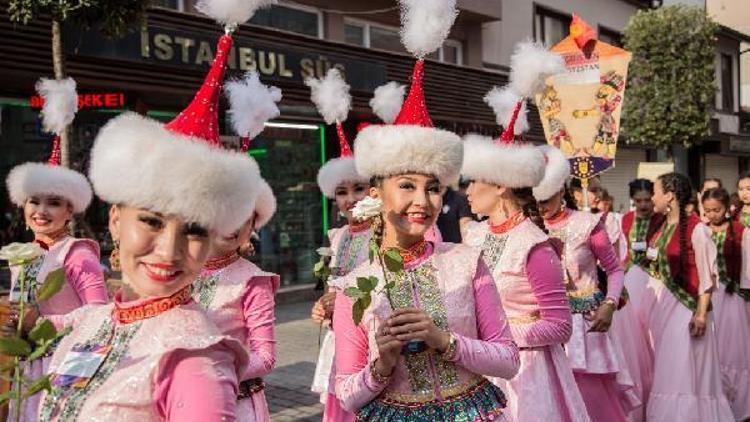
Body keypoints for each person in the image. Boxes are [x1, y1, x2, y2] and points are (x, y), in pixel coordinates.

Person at [27, 4, 268, 419]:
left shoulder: (196, 359)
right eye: (152, 220)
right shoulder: (94, 320)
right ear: (116, 221)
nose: (169, 249)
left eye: (193, 230)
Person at [332, 4, 520, 418]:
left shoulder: (467, 263)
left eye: (433, 188)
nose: (423, 201)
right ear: (377, 193)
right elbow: (346, 394)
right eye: (407, 186)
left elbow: (509, 360)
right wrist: (380, 365)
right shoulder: (353, 286)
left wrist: (445, 340)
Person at [2, 77, 109, 421]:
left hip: (67, 368)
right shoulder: (23, 254)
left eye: (53, 203)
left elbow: (99, 316)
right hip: (28, 368)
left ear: (70, 210)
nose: (41, 211)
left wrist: (44, 322)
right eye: (34, 201)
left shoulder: (77, 254)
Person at [462, 136, 589, 420]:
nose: (467, 190)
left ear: (499, 185)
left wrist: (496, 337)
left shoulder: (535, 245)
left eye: (473, 181)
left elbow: (560, 326)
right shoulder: (473, 235)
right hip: (478, 366)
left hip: (526, 374)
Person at [535, 154, 638, 422]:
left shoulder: (586, 224)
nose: (540, 207)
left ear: (561, 191)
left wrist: (610, 304)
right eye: (535, 200)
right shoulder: (529, 228)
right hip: (544, 326)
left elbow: (614, 270)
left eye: (545, 200)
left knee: (591, 401)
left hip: (586, 326)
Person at [639, 172, 733, 421]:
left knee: (684, 372)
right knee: (669, 370)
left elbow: (707, 276)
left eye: (656, 192)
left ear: (669, 195)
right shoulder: (660, 226)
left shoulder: (697, 229)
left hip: (687, 309)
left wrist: (701, 314)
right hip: (664, 309)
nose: (652, 197)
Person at [306, 68, 371, 422]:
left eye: (357, 189)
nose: (349, 200)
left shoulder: (385, 234)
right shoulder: (338, 236)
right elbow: (335, 284)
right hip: (338, 342)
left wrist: (342, 300)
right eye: (342, 192)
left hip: (372, 344)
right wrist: (323, 304)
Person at [613, 178, 662, 422]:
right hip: (632, 277)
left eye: (647, 200)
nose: (643, 205)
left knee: (654, 335)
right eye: (638, 200)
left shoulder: (662, 219)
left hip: (656, 279)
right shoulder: (625, 220)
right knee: (636, 336)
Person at [700, 187, 750, 421]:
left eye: (716, 210)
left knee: (735, 352)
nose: (712, 215)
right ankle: (715, 403)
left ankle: (740, 407)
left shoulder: (741, 231)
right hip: (708, 297)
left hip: (732, 297)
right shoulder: (700, 231)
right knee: (713, 349)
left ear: (726, 208)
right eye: (707, 210)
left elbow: (747, 270)